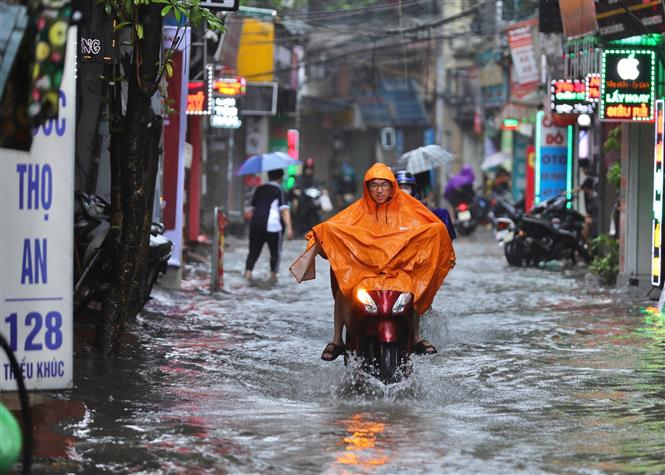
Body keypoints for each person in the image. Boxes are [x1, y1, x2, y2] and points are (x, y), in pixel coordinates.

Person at [290, 163, 456, 362]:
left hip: (397, 273)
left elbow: (430, 228)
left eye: (384, 185)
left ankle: (416, 336)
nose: (379, 190)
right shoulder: (358, 210)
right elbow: (334, 227)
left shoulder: (409, 208)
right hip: (364, 272)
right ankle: (336, 339)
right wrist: (322, 236)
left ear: (391, 186)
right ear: (367, 187)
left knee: (414, 287)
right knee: (343, 283)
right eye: (374, 185)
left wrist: (438, 235)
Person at [244, 168, 294, 282]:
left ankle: (247, 274)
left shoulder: (259, 188)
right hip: (273, 226)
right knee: (275, 252)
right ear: (281, 178)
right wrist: (290, 228)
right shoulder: (280, 190)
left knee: (253, 251)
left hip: (255, 223)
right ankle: (273, 277)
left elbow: (253, 206)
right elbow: (284, 210)